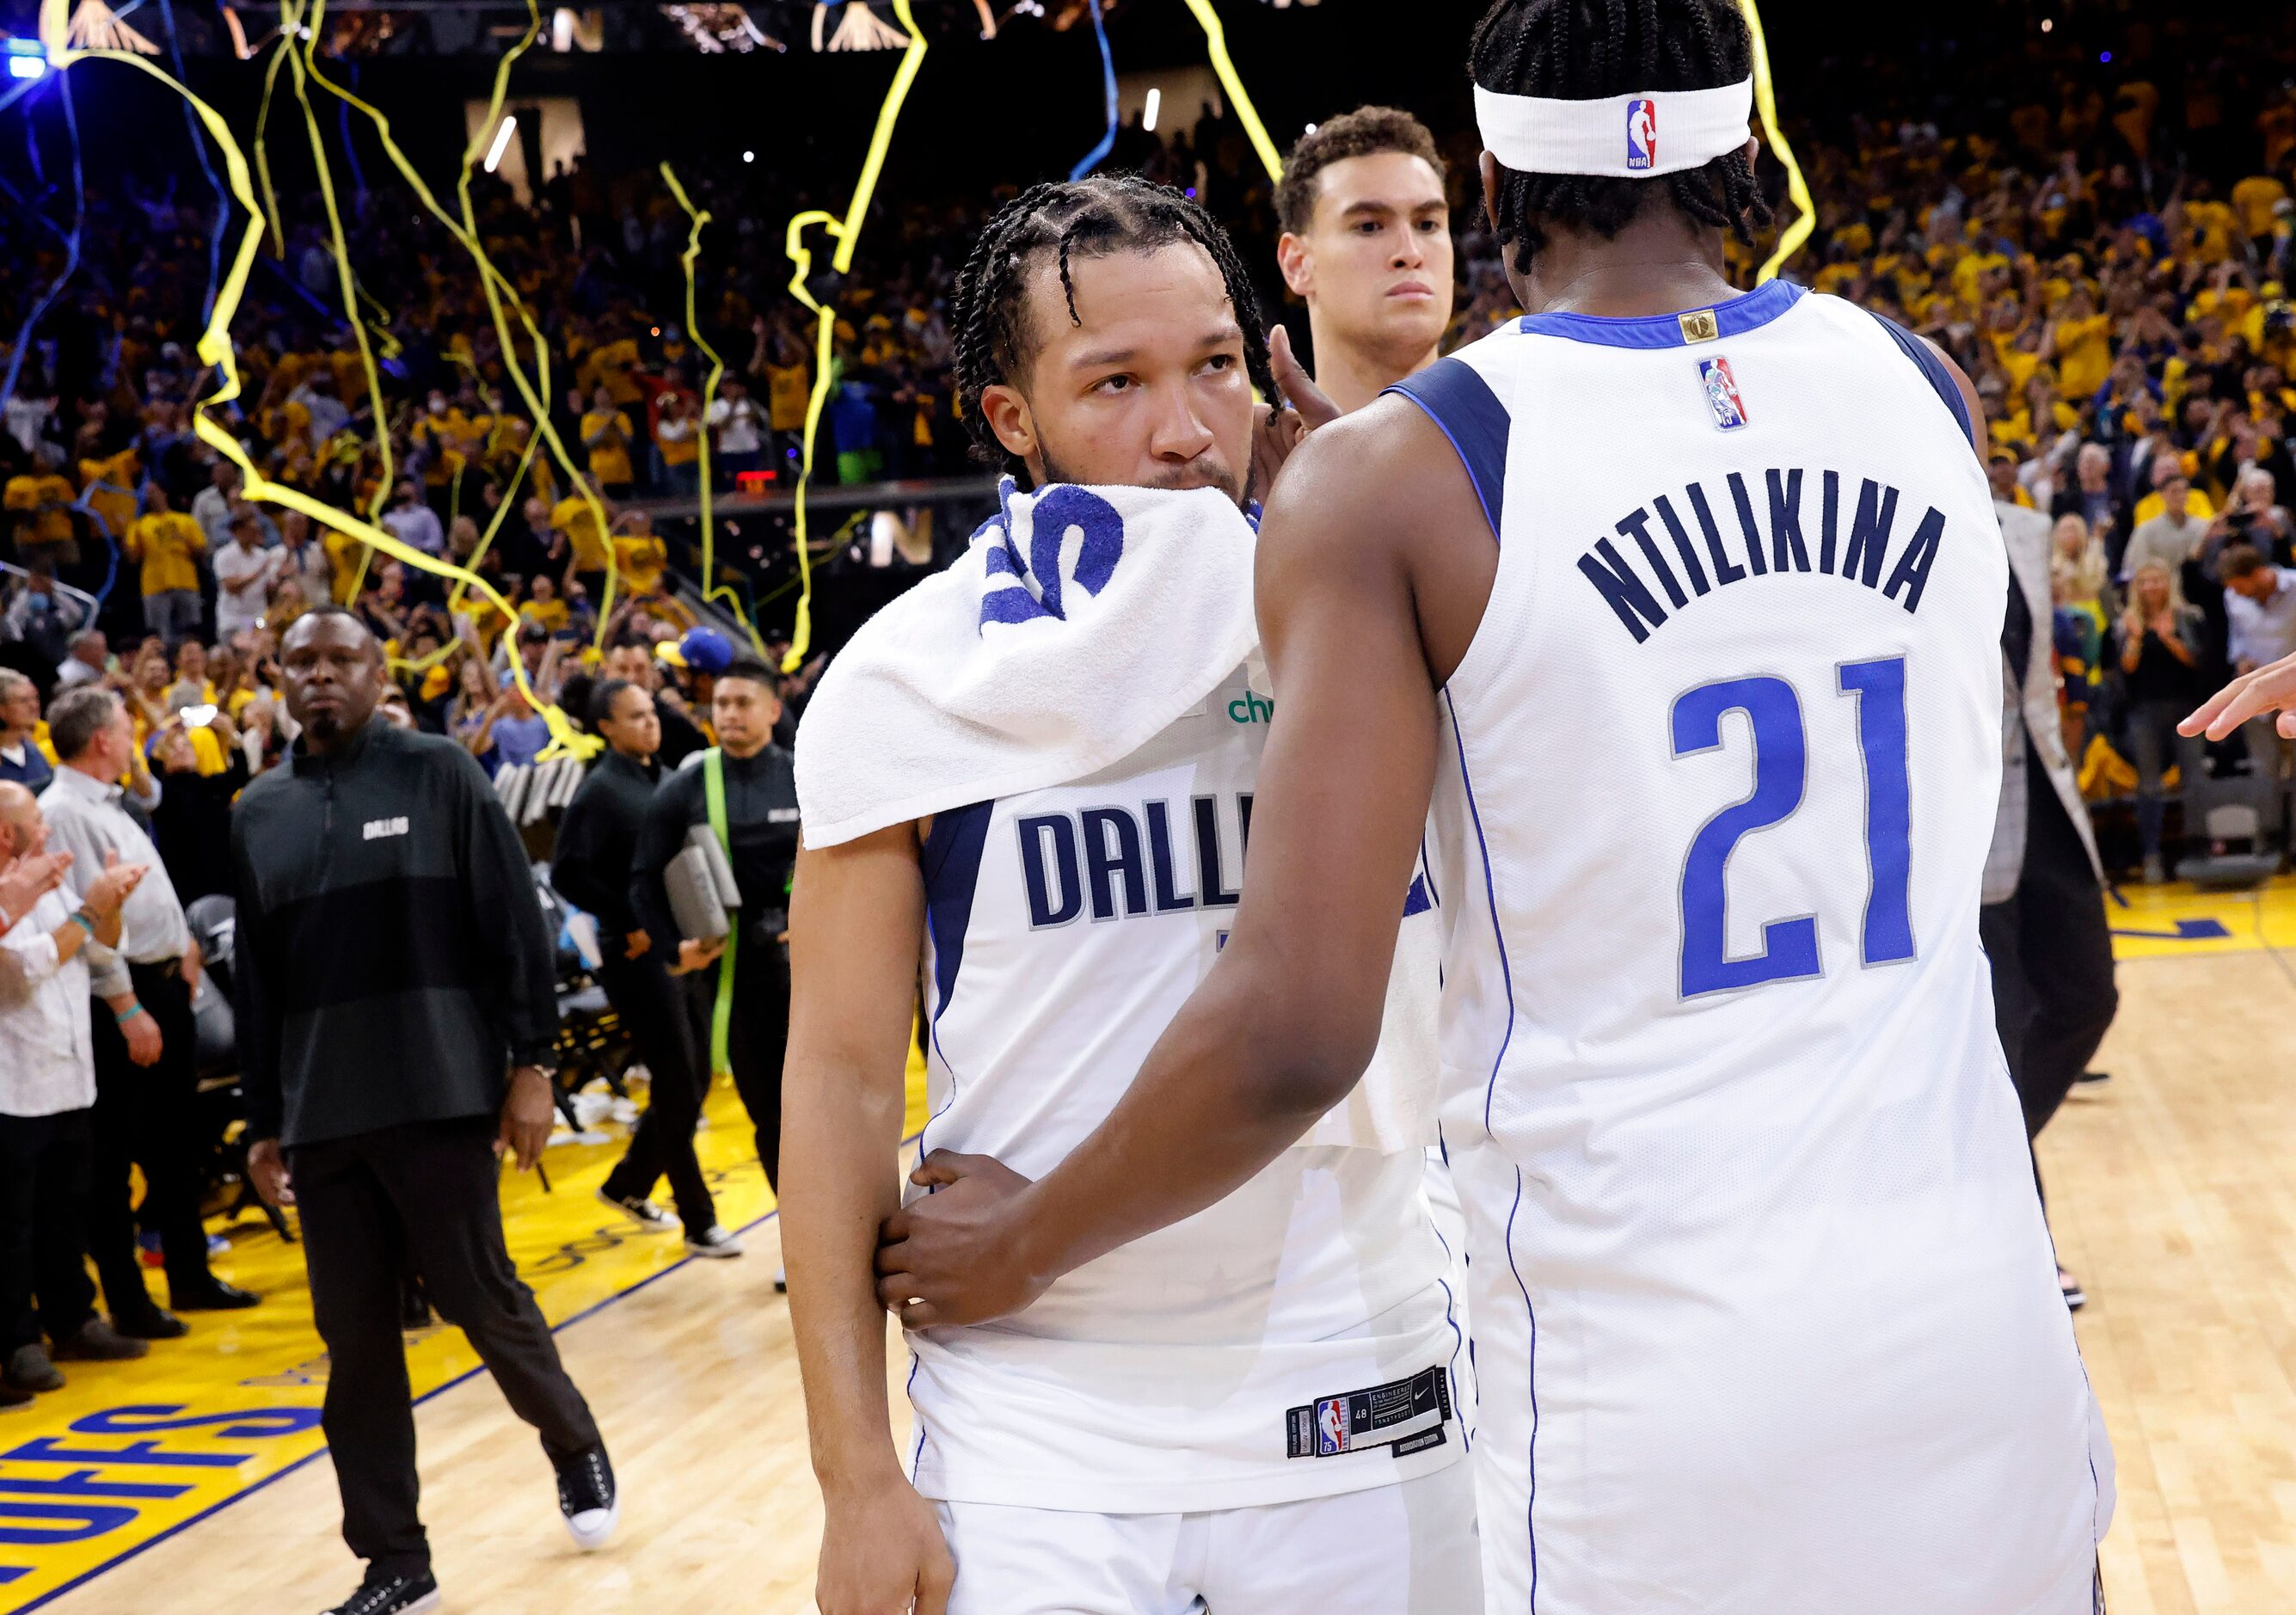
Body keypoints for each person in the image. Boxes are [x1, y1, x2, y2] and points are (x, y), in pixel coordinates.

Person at [875, 4, 2115, 1612]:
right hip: (1975, 1317)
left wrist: (1024, 1243)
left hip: (1652, 1370)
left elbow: (1296, 1028)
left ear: (1491, 175)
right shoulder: (1922, 383)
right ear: (1746, 148)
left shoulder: (1406, 475)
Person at [786, 175, 1473, 1615]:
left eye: (1215, 365)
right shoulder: (907, 676)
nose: (1182, 429)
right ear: (1010, 419)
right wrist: (856, 1476)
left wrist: (1385, 510)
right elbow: (844, 1085)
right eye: (1117, 382)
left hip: (1356, 1373)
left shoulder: (1392, 604)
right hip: (1039, 1412)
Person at [233, 608, 617, 1615]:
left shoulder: (441, 772)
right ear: (281, 676)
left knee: (481, 1300)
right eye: (302, 662)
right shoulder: (256, 809)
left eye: (340, 659)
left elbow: (512, 924)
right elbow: (260, 982)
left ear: (378, 669)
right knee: (355, 1349)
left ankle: (573, 1441)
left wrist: (533, 1062)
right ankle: (396, 1562)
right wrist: (261, 1119)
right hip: (322, 1116)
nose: (320, 676)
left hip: (440, 1090)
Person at [40, 687, 256, 1336]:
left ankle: (190, 1275)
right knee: (118, 1153)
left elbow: (147, 892)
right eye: (125, 725)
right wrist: (129, 1004)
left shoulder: (110, 801)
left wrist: (184, 945)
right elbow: (86, 917)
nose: (135, 734)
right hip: (123, 995)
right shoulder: (64, 810)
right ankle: (129, 1301)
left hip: (164, 980)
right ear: (103, 739)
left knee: (176, 1143)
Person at [549, 677, 738, 1256]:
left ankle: (629, 1182)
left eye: (650, 713)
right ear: (604, 727)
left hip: (680, 945)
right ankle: (698, 1218)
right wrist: (628, 922)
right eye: (634, 716)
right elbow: (566, 874)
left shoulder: (661, 778)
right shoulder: (599, 790)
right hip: (636, 955)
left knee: (697, 1078)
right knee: (679, 1084)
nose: (649, 722)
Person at [1987, 482, 2115, 1311]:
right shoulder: (1871, 512)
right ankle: (2021, 1237)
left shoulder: (2026, 533)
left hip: (2040, 789)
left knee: (2086, 998)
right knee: (1993, 1038)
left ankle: (1967, 1164)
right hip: (1948, 816)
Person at [630, 656, 797, 1234]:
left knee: (830, 1113)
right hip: (739, 982)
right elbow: (643, 876)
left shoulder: (807, 775)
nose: (728, 713)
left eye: (742, 702)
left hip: (814, 975)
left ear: (773, 710)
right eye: (720, 703)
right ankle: (799, 1237)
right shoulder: (687, 784)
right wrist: (676, 948)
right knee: (772, 1117)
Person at [0, 782, 151, 1403]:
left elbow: (98, 944)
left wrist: (108, 903)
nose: (48, 829)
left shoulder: (45, 876)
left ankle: (74, 1320)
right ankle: (17, 1340)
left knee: (68, 1210)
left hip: (69, 1071)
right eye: (37, 820)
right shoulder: (12, 891)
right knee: (12, 1226)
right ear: (8, 833)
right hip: (13, 1083)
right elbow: (22, 968)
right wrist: (88, 913)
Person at [1274, 106, 1454, 413]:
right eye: (1369, 226)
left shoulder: (1526, 440)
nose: (1410, 253)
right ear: (1298, 264)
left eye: (1427, 225)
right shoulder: (1255, 460)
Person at [2115, 561, 2207, 881]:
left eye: (2157, 580)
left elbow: (2198, 661)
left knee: (2195, 779)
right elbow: (2125, 668)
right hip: (2143, 710)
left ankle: (2199, 848)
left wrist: (2168, 638)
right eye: (2144, 581)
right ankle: (2151, 854)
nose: (2151, 587)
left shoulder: (2188, 616)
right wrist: (2137, 638)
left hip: (2186, 707)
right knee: (2149, 786)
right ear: (2135, 588)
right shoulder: (2126, 623)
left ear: (2168, 584)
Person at [2220, 543, 2296, 778]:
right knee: (2264, 768)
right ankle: (2269, 817)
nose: (2237, 593)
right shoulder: (2232, 596)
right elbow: (2237, 636)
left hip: (2292, 689)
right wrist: (2241, 659)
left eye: (2240, 586)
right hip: (2255, 693)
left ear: (2256, 573)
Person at [122, 485, 207, 645]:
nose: (149, 496)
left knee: (193, 632)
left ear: (164, 492)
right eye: (146, 493)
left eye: (153, 491)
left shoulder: (185, 520)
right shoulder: (140, 525)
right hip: (154, 585)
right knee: (159, 636)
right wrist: (124, 535)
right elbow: (132, 558)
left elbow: (201, 552)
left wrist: (181, 540)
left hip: (185, 580)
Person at [213, 507, 285, 643]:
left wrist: (280, 579)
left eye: (256, 530)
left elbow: (269, 590)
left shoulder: (263, 555)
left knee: (263, 648)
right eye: (251, 530)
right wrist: (258, 573)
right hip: (232, 618)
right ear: (238, 531)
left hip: (258, 617)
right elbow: (232, 588)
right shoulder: (223, 555)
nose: (256, 533)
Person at [0, 670, 52, 793]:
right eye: (23, 701)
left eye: (35, 698)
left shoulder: (33, 751)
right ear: (1, 709)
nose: (34, 706)